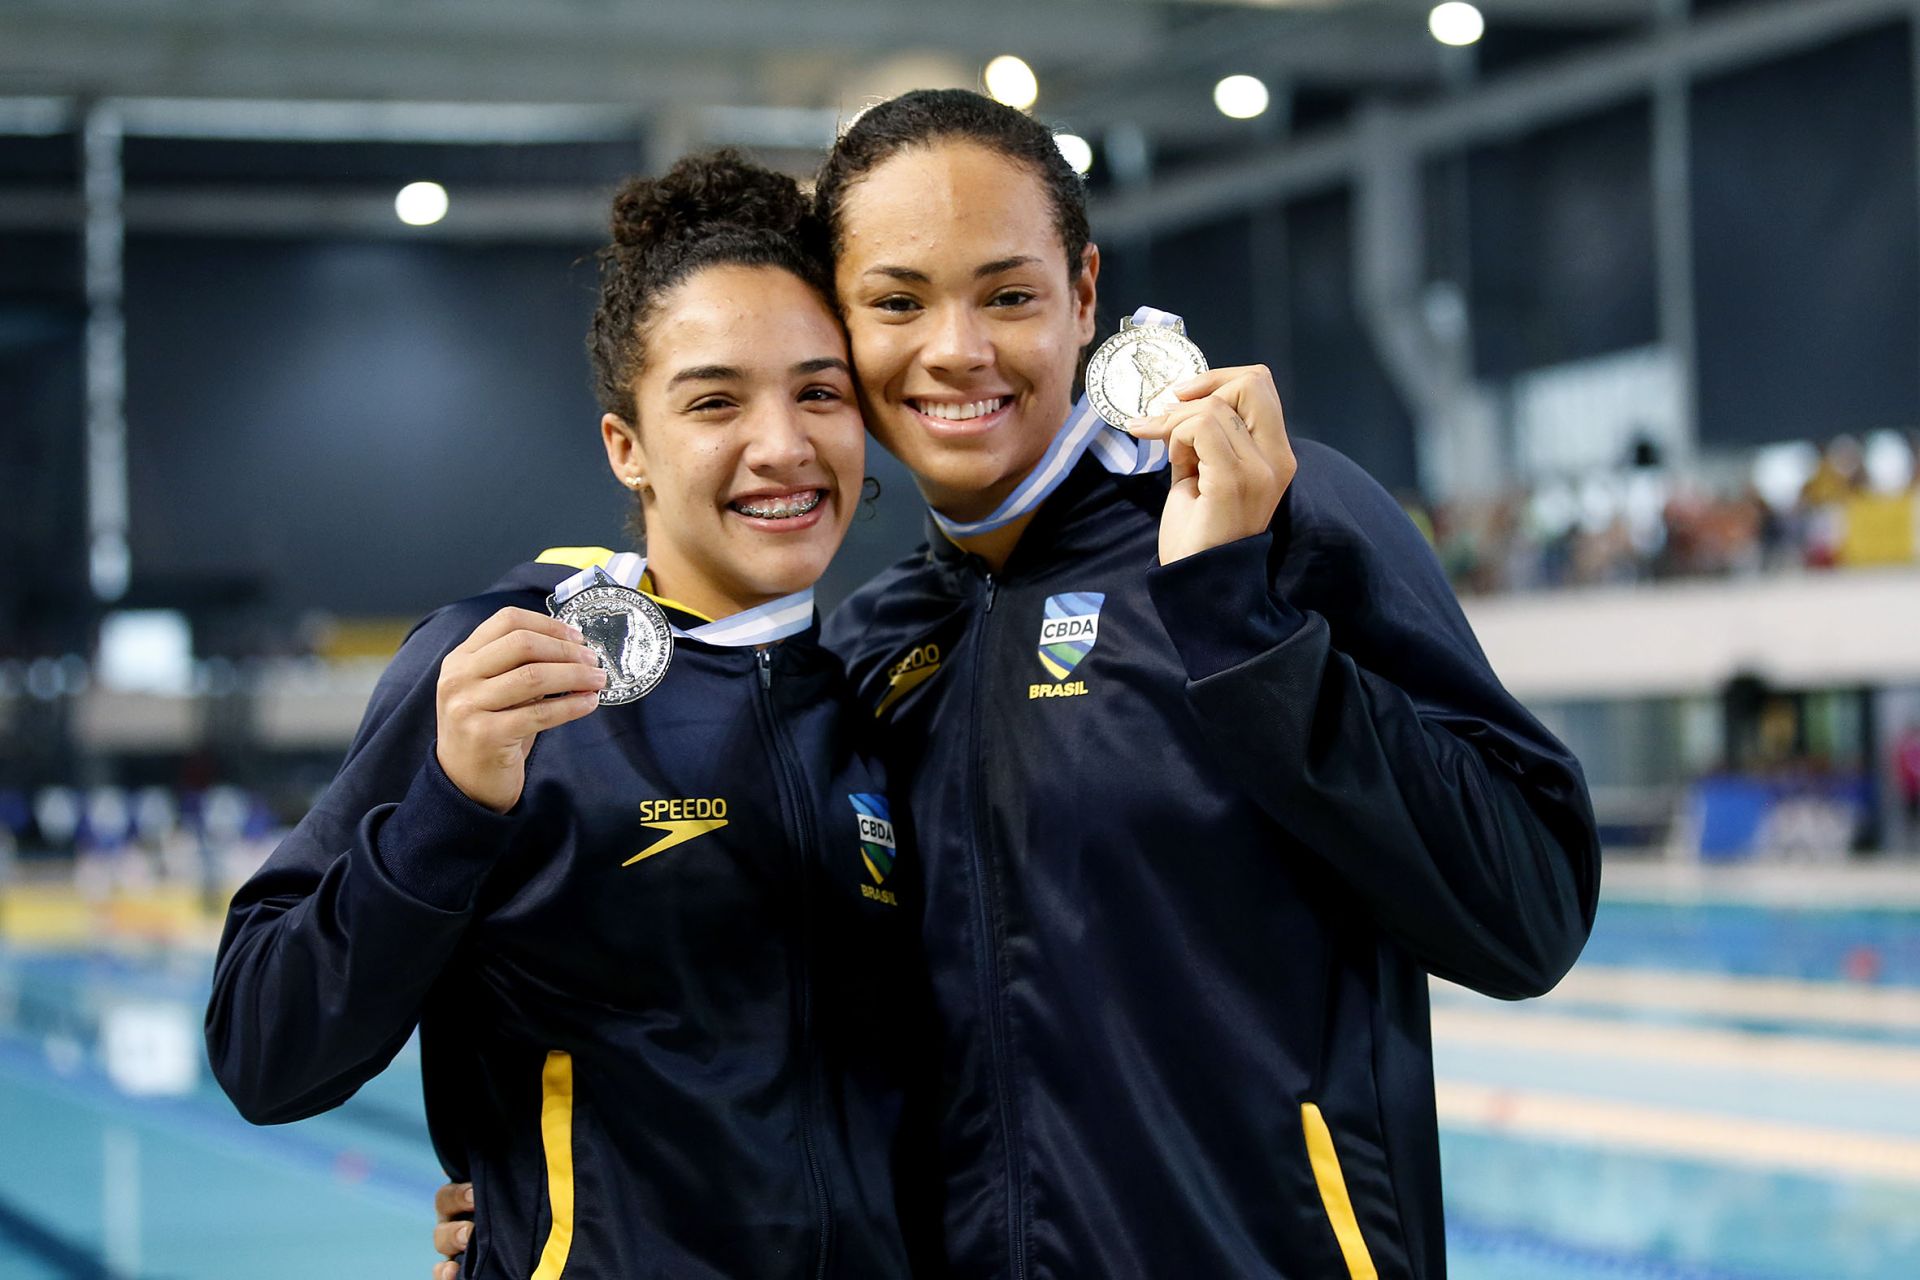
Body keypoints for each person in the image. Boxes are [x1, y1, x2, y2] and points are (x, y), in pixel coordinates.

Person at [440, 89, 1601, 1279]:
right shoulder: (873, 651)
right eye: (897, 301)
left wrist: (1241, 623)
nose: (958, 350)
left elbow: (1530, 915)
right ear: (841, 327)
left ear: (1084, 294)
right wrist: (539, 1202)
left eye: (1009, 294)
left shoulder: (1265, 512)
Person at [206, 152, 928, 1278]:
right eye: (715, 399)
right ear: (626, 445)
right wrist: (447, 810)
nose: (782, 444)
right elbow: (265, 1049)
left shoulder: (875, 701)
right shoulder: (508, 667)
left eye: (818, 390)